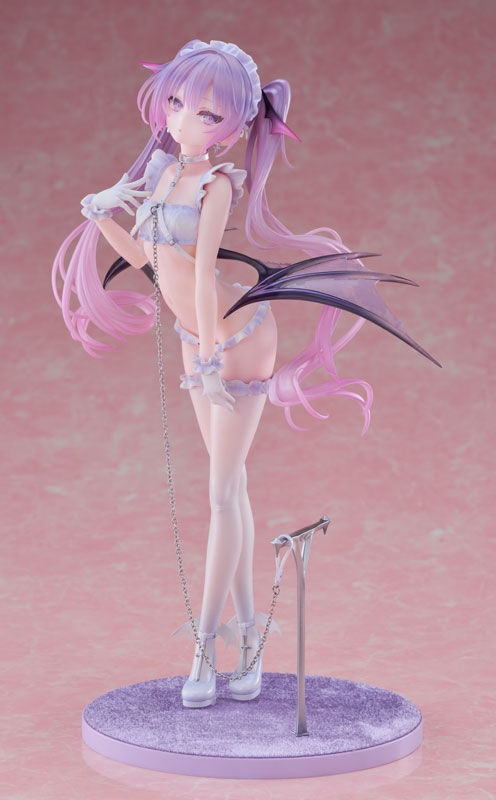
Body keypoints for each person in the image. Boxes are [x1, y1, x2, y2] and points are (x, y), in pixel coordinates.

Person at [52, 39, 440, 709]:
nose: (184, 120)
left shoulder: (216, 186)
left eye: (206, 114)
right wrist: (102, 215)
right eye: (177, 102)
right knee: (230, 491)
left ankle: (205, 649)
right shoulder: (163, 175)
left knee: (220, 494)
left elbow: (203, 276)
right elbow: (149, 263)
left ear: (233, 127)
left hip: (234, 337)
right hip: (195, 336)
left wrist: (209, 355)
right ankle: (250, 642)